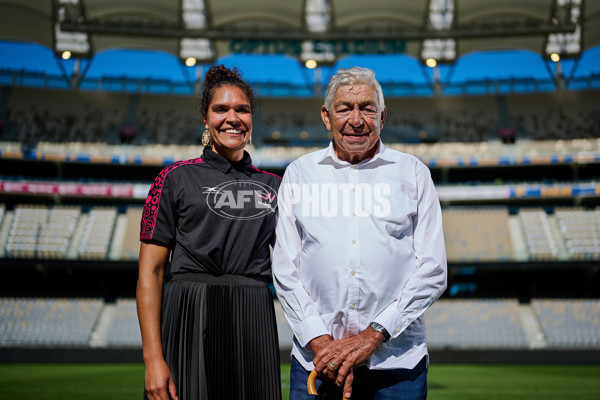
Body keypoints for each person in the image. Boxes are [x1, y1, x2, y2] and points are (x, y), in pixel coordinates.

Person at [272, 66, 447, 400]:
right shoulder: (299, 175)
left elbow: (433, 270)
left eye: (367, 108)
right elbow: (284, 269)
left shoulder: (413, 174)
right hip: (316, 361)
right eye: (344, 109)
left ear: (383, 116)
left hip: (397, 364)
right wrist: (322, 343)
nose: (356, 120)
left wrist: (373, 336)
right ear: (326, 116)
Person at [137, 65, 282, 400]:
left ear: (252, 117)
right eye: (221, 109)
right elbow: (152, 270)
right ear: (205, 118)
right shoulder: (173, 179)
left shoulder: (275, 186)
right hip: (188, 312)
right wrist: (153, 359)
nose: (233, 118)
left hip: (253, 317)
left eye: (242, 110)